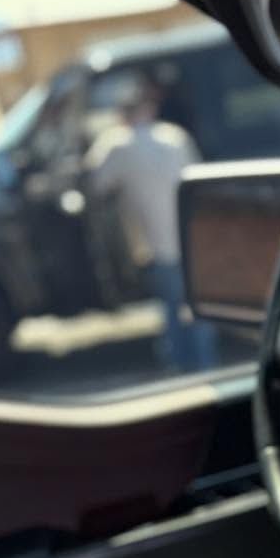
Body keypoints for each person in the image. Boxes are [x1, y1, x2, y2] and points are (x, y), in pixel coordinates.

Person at [85, 79, 218, 373]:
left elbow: (96, 184)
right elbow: (198, 179)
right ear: (150, 108)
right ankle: (207, 365)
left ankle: (181, 367)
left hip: (155, 243)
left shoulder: (116, 145)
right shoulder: (176, 137)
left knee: (172, 308)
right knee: (197, 304)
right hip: (191, 235)